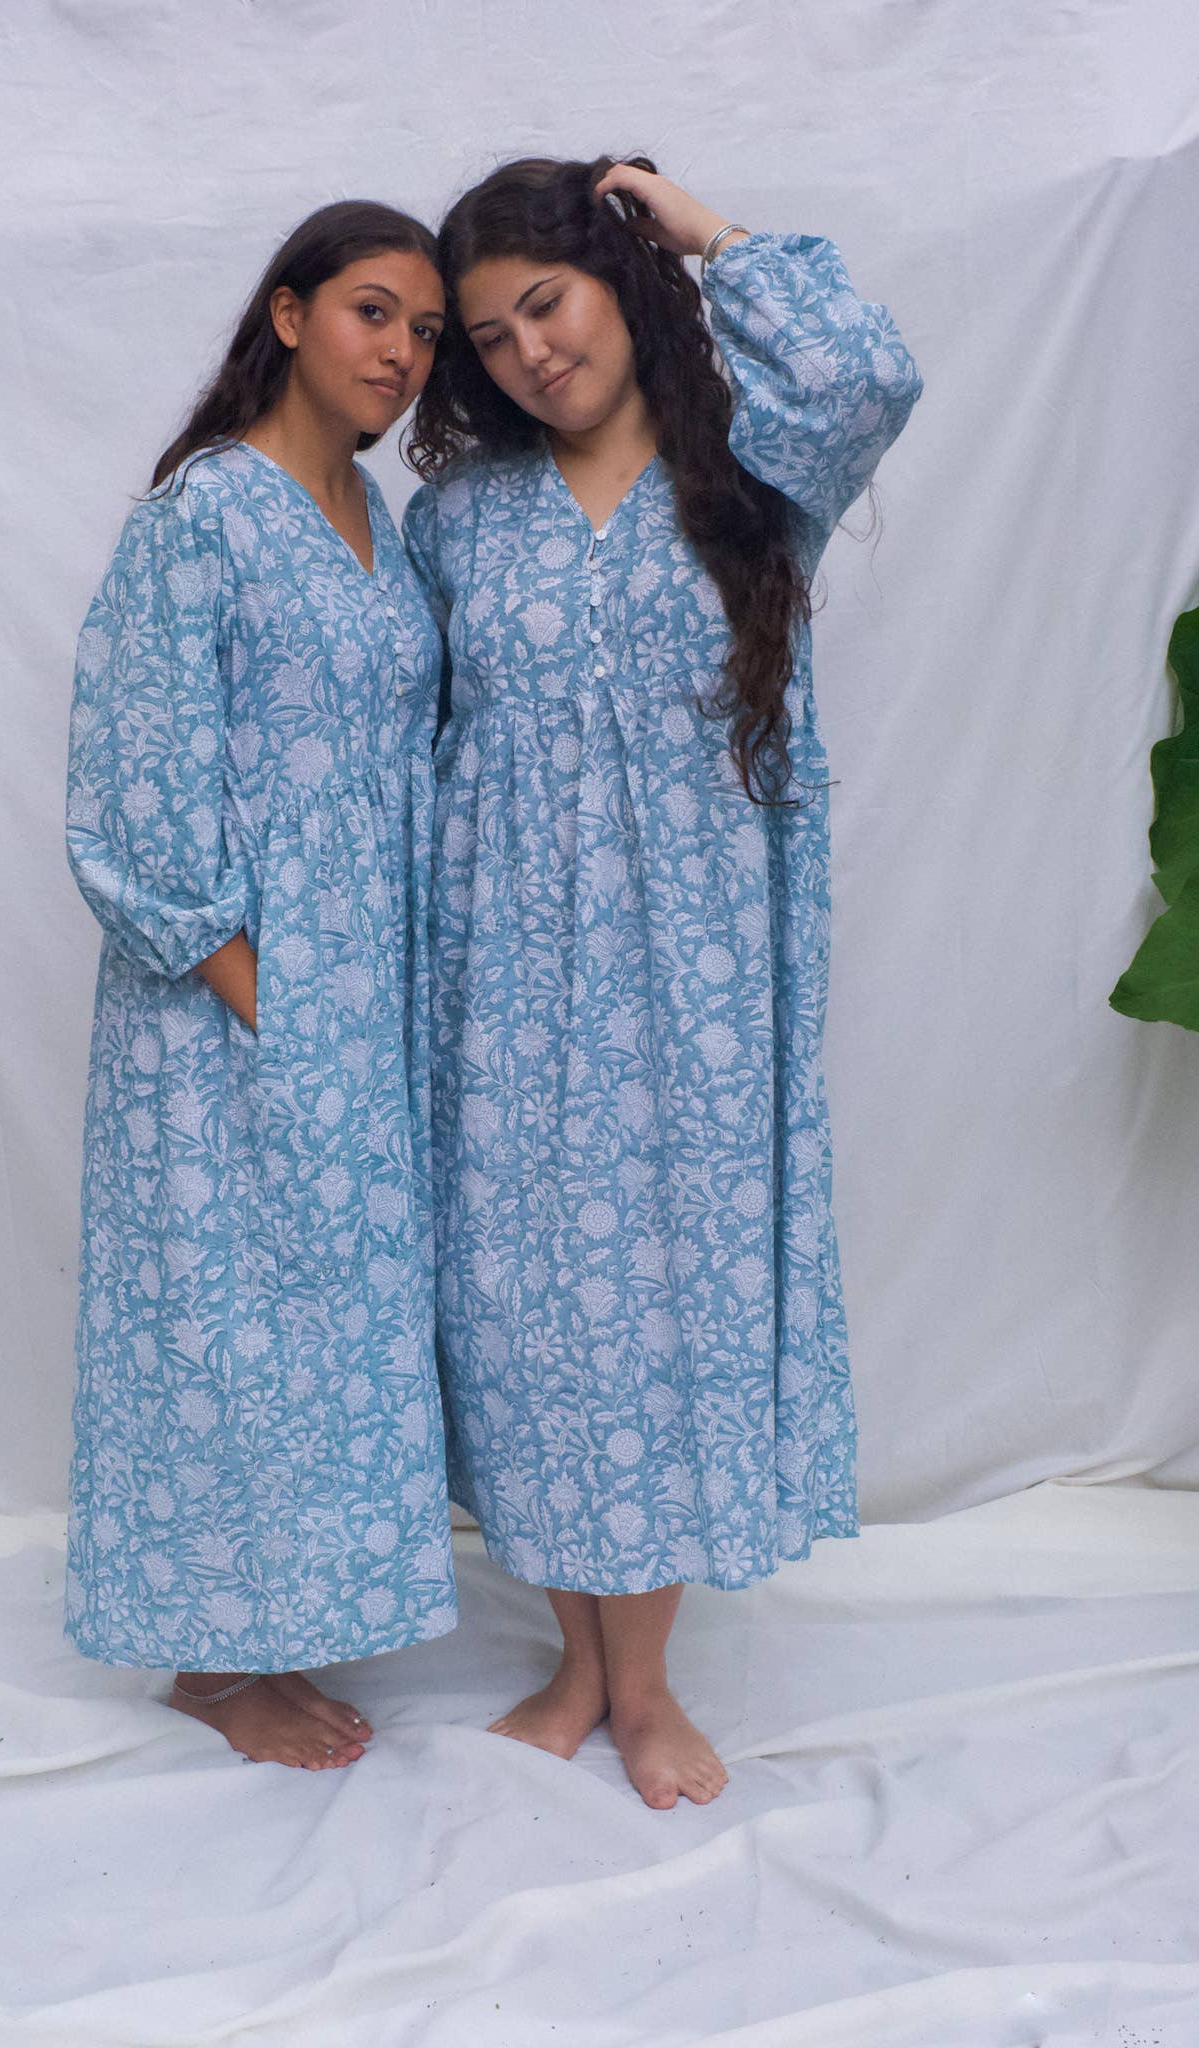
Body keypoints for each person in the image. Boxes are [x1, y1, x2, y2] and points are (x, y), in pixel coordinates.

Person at [403, 155, 923, 1809]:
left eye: (545, 305)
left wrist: (703, 232)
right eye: (489, 337)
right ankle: (577, 1666)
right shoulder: (455, 524)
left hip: (692, 990)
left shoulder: (754, 471)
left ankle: (642, 1687)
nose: (528, 355)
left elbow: (868, 371)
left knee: (654, 1317)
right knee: (525, 1321)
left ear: (618, 286)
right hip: (499, 984)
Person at [64, 200, 458, 1769]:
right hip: (228, 1004)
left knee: (317, 1327)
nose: (403, 353)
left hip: (359, 993)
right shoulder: (204, 516)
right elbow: (133, 786)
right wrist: (265, 998)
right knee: (223, 1318)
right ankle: (214, 1672)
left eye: (426, 332)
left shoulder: (376, 513)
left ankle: (278, 1633)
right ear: (288, 315)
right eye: (373, 312)